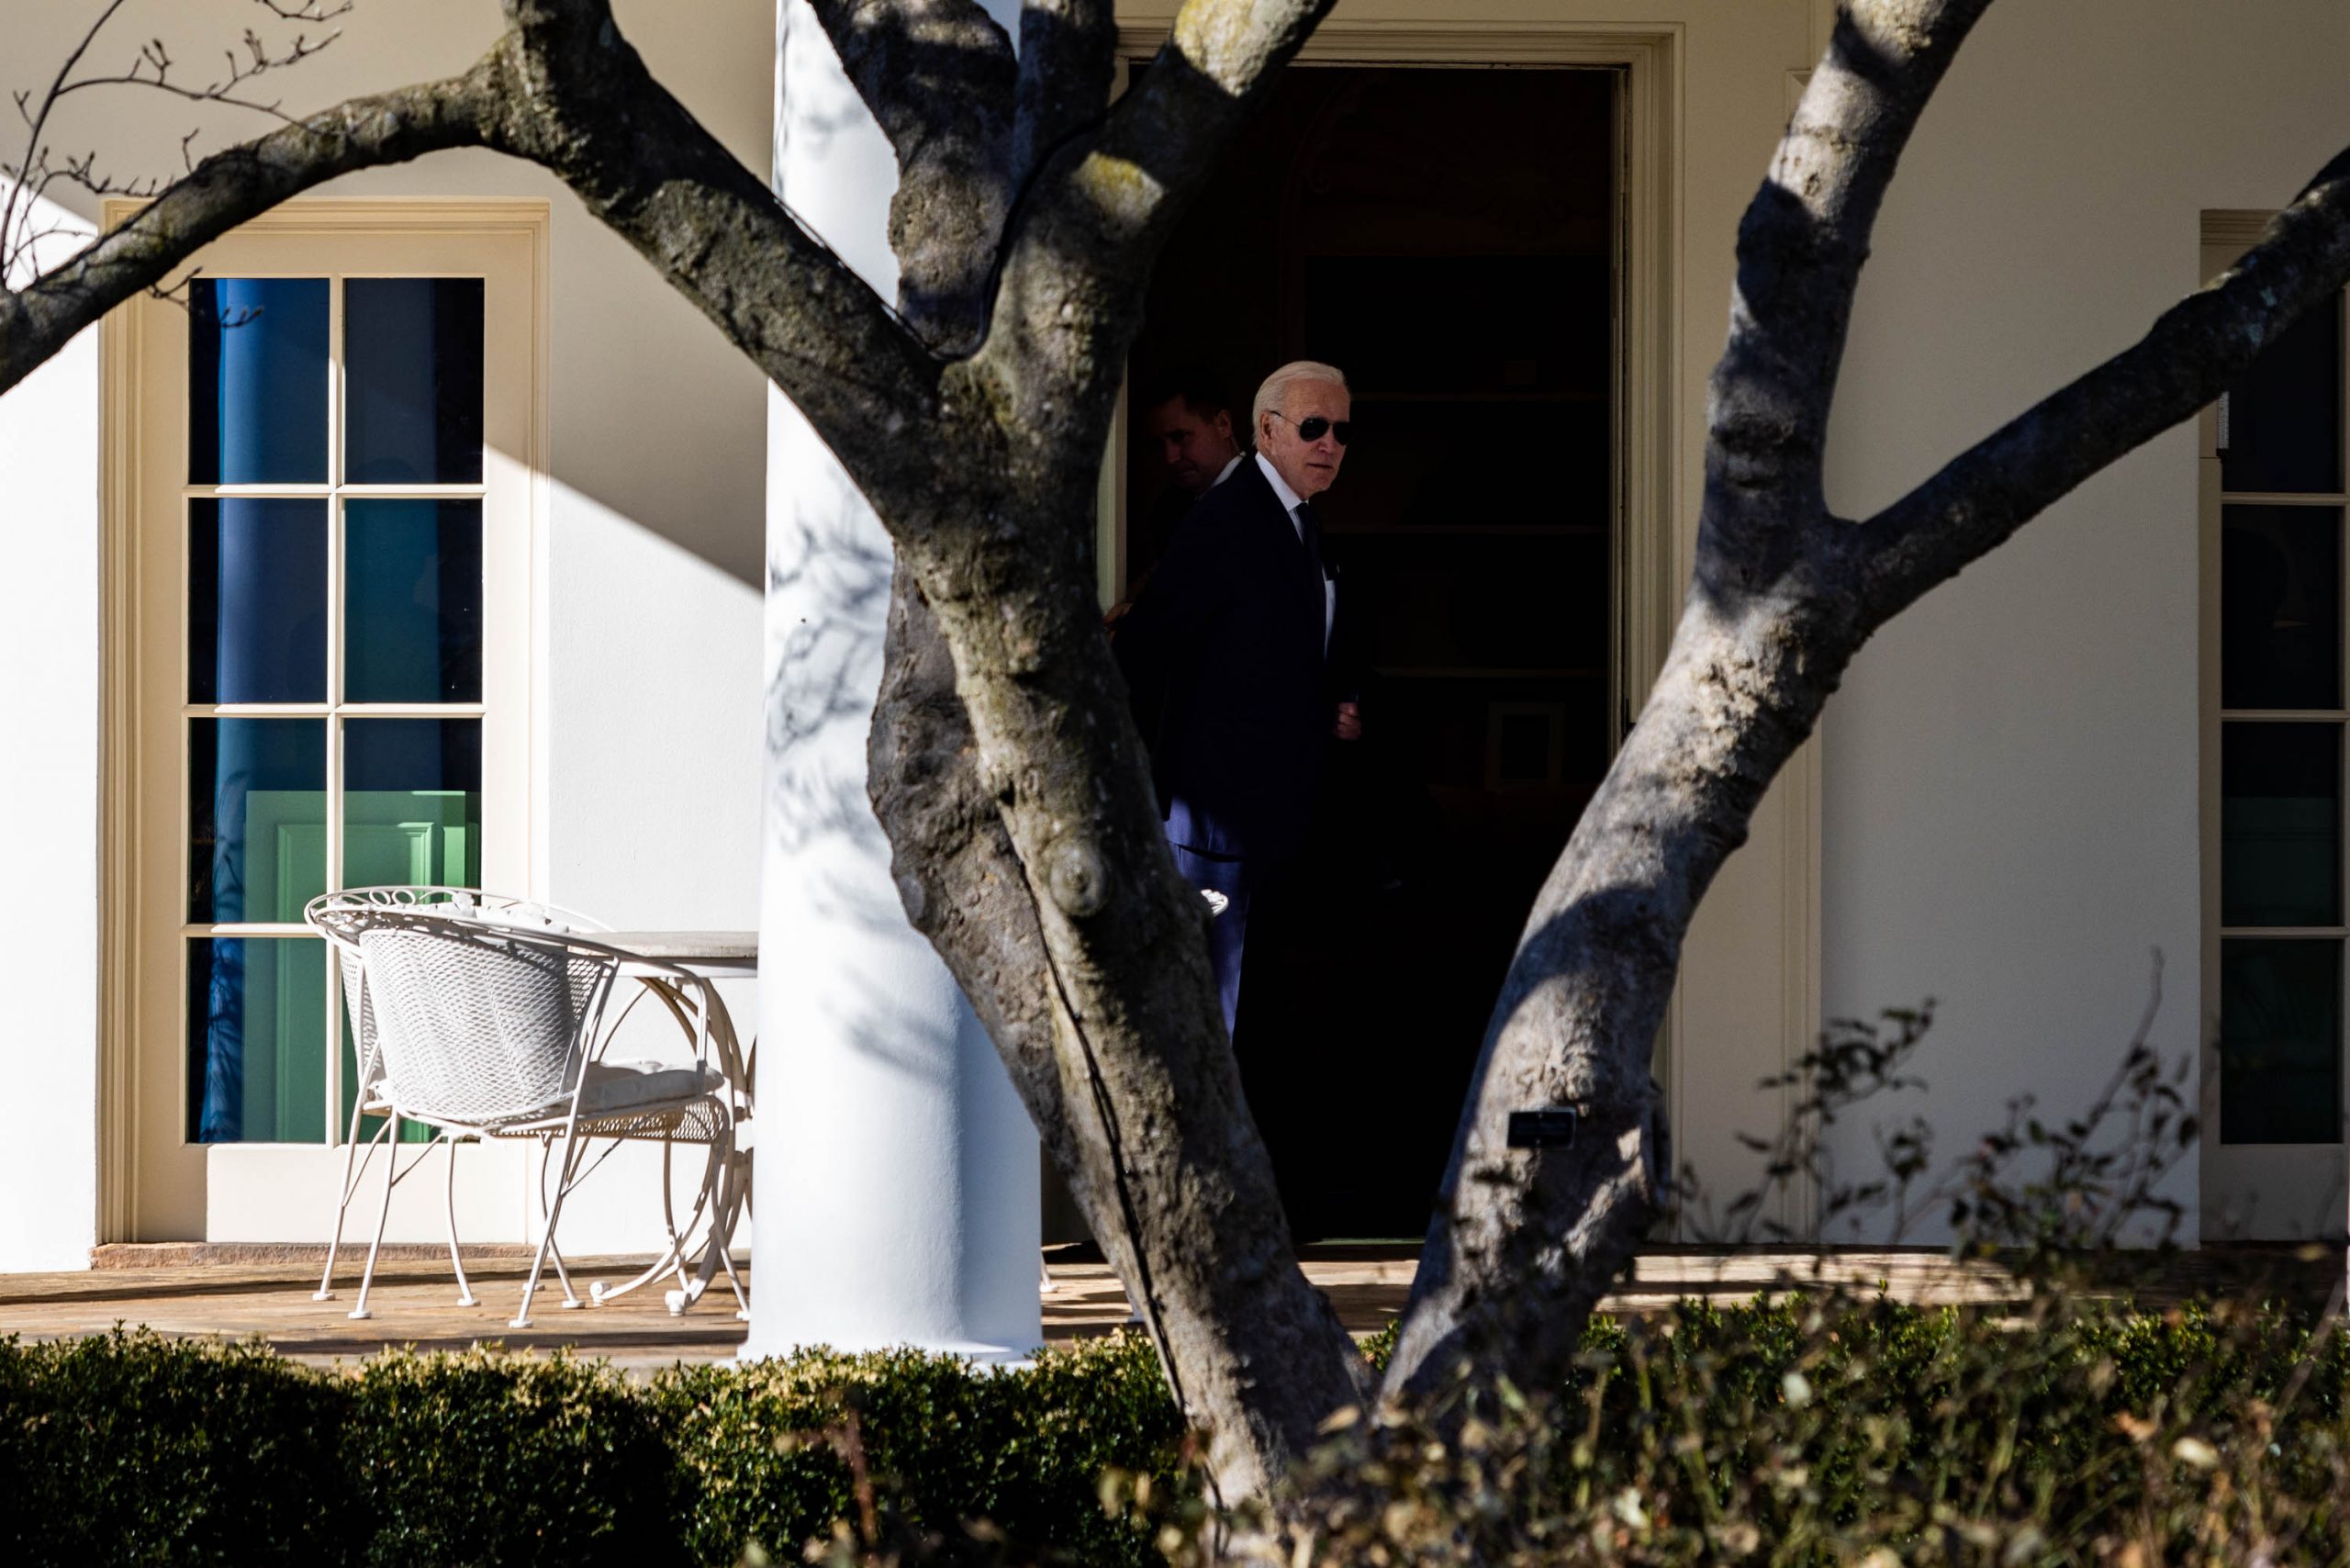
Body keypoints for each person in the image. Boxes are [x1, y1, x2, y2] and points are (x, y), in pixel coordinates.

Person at [1113, 360, 1364, 1036]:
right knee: (1207, 1017)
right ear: (1267, 430)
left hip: (1278, 819)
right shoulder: (1226, 518)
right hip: (1216, 825)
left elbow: (1277, 651)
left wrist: (1332, 704)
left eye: (1342, 431)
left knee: (1257, 1012)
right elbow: (1149, 649)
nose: (1329, 444)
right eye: (1314, 427)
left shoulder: (1299, 520)